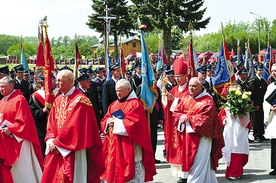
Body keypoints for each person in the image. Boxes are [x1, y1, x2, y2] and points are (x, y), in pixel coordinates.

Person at [41, 69, 104, 183]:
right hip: (56, 147)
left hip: (74, 149)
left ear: (70, 81)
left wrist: (58, 144)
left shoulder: (81, 101)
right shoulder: (58, 99)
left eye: (60, 80)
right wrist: (50, 140)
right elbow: (51, 122)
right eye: (56, 80)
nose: (56, 83)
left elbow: (75, 128)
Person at [100, 79, 156, 182]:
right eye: (116, 90)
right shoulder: (113, 105)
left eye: (120, 90)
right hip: (115, 146)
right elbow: (104, 120)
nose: (118, 93)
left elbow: (134, 125)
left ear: (128, 89)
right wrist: (108, 122)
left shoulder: (135, 104)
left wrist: (116, 123)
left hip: (129, 146)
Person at [172, 77, 224, 183]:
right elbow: (176, 113)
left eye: (194, 86)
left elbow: (207, 120)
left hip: (202, 138)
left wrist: (188, 118)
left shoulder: (207, 101)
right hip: (187, 138)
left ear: (201, 87)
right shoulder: (185, 98)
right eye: (190, 85)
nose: (191, 88)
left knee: (199, 163)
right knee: (192, 162)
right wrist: (181, 117)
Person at [0, 76, 43, 183]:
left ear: (11, 86)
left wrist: (11, 129)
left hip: (20, 140)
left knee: (21, 168)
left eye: (2, 86)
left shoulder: (20, 99)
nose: (0, 89)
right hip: (5, 139)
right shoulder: (2, 101)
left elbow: (25, 122)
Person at [162, 59, 189, 183]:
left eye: (180, 76)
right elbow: (167, 107)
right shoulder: (173, 90)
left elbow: (190, 105)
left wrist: (175, 101)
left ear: (186, 75)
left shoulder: (191, 89)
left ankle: (187, 174)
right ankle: (180, 174)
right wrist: (165, 96)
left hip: (186, 126)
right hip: (174, 126)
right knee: (176, 149)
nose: (177, 79)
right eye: (176, 77)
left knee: (186, 149)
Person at [218, 83, 251, 180]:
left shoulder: (244, 105)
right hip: (230, 130)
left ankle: (237, 171)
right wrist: (226, 119)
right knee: (232, 150)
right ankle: (232, 172)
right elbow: (221, 117)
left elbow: (247, 118)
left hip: (240, 130)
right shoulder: (227, 105)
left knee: (239, 150)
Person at [249, 64, 268, 142]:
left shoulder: (263, 81)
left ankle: (261, 133)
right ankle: (256, 135)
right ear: (256, 70)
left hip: (262, 103)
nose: (261, 71)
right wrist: (255, 104)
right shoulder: (253, 81)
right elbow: (252, 93)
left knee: (261, 119)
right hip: (256, 104)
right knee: (256, 119)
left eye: (262, 70)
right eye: (259, 70)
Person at [263, 63, 276, 175]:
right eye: (272, 71)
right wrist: (270, 107)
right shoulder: (270, 87)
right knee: (274, 143)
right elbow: (265, 102)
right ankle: (275, 167)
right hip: (273, 118)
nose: (274, 73)